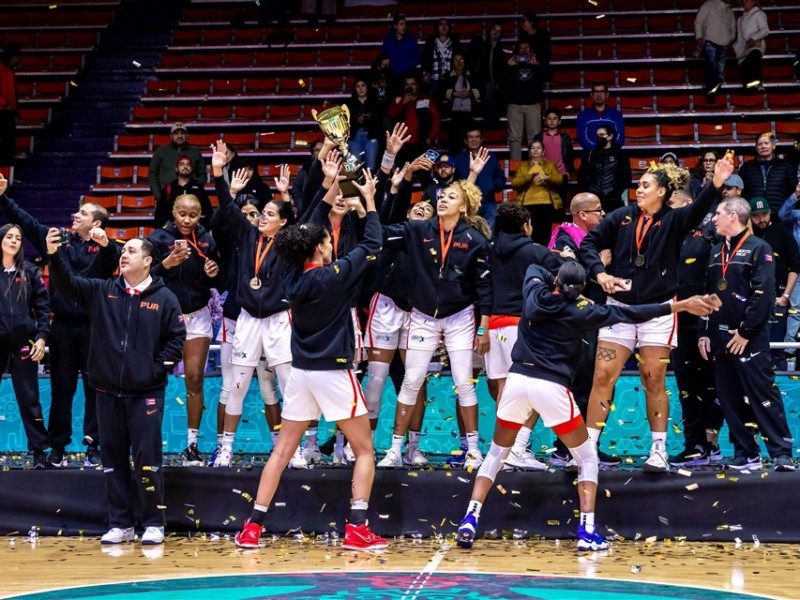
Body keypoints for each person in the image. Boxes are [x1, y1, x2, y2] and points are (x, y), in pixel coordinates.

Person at [455, 262, 719, 551]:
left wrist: (561, 264)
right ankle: (588, 531)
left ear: (555, 279)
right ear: (581, 289)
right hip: (551, 387)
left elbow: (532, 265)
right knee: (587, 458)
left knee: (496, 454)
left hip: (517, 382)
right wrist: (679, 307)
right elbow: (631, 313)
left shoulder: (533, 293)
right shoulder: (583, 311)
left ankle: (470, 519)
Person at [234, 172, 388, 551]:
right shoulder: (332, 277)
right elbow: (373, 242)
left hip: (301, 372)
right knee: (365, 450)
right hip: (333, 372)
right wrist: (368, 201)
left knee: (282, 450)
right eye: (327, 241)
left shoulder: (289, 274)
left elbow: (309, 226)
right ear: (320, 247)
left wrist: (331, 185)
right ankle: (357, 528)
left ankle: (252, 527)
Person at [580, 156, 734, 472]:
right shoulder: (620, 218)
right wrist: (600, 273)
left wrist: (716, 183)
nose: (639, 189)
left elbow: (697, 210)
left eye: (646, 185)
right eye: (639, 185)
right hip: (619, 311)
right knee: (602, 376)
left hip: (659, 312)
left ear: (662, 192)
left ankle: (658, 450)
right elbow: (589, 244)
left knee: (654, 377)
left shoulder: (675, 221)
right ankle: (587, 449)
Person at [46, 233, 186, 545]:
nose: (124, 255)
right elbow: (68, 283)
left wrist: (154, 369)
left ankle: (153, 523)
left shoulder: (164, 298)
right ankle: (120, 524)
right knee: (113, 460)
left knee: (148, 460)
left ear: (148, 261)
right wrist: (54, 255)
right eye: (123, 251)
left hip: (146, 393)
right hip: (107, 391)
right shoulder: (102, 291)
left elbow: (177, 339)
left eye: (132, 251)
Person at [0, 174, 120, 467]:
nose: (74, 215)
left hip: (95, 326)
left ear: (95, 223)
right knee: (61, 389)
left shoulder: (107, 247)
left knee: (96, 389)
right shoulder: (57, 240)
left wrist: (105, 244)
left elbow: (112, 258)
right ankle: (57, 447)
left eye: (82, 214)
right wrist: (3, 197)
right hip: (62, 327)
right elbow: (26, 222)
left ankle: (94, 445)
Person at [377, 176, 492, 469]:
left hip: (460, 316)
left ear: (464, 206)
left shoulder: (475, 240)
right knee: (411, 381)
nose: (442, 200)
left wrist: (483, 326)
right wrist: (368, 202)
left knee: (464, 383)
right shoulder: (418, 230)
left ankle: (473, 450)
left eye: (451, 197)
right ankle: (395, 450)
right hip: (423, 315)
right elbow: (379, 233)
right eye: (442, 195)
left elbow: (484, 289)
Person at [208, 142, 296, 467]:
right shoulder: (247, 236)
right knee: (237, 385)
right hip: (246, 319)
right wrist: (219, 173)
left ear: (282, 222)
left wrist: (285, 197)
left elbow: (305, 218)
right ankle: (227, 448)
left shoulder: (289, 244)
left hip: (277, 321)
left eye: (270, 214)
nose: (262, 217)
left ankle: (293, 450)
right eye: (262, 213)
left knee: (288, 387)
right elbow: (227, 209)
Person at [700, 197, 795, 471]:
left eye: (718, 213)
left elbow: (764, 295)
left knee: (763, 395)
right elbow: (709, 294)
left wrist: (744, 332)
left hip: (749, 340)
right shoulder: (715, 251)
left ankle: (782, 452)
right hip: (719, 339)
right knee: (729, 399)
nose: (714, 218)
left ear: (733, 216)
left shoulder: (759, 248)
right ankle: (746, 452)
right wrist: (704, 332)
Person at [484, 203, 562, 470]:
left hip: (493, 327)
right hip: (525, 326)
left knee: (504, 394)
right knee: (535, 389)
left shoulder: (488, 250)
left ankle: (501, 453)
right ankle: (517, 449)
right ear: (526, 225)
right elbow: (563, 280)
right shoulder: (538, 252)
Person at [148, 194, 220, 466]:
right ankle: (148, 441)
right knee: (154, 378)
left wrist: (214, 272)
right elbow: (144, 275)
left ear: (200, 214)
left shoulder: (208, 240)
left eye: (193, 214)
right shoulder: (157, 239)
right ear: (173, 212)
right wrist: (167, 264)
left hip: (198, 315)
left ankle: (191, 445)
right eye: (182, 214)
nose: (187, 220)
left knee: (194, 379)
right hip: (164, 318)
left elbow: (217, 275)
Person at [666, 189, 724, 467]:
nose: (668, 209)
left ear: (690, 205)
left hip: (710, 319)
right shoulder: (668, 235)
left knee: (717, 384)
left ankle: (710, 441)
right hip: (679, 321)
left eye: (672, 204)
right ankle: (694, 445)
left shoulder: (713, 232)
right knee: (687, 386)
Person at [0, 224, 50, 469]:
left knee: (30, 398)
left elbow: (42, 308)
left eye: (18, 238)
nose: (14, 241)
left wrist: (41, 337)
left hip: (24, 342)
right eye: (9, 236)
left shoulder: (29, 271)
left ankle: (39, 451)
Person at [749, 196, 800, 371]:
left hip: (778, 299)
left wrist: (786, 296)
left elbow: (796, 266)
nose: (761, 219)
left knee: (777, 349)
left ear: (770, 212)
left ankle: (783, 393)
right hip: (751, 301)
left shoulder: (781, 231)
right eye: (756, 216)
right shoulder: (747, 235)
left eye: (764, 214)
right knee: (753, 348)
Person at [511, 139, 564, 245]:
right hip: (527, 205)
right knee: (529, 233)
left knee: (544, 233)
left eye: (538, 148)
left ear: (543, 151)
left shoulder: (550, 165)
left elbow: (559, 181)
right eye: (533, 148)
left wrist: (547, 177)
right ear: (529, 151)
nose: (535, 150)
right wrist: (528, 177)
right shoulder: (523, 166)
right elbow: (514, 184)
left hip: (546, 205)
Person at [386, 74, 441, 168]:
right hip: (402, 144)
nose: (410, 87)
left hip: (422, 143)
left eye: (413, 84)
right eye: (407, 84)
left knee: (424, 173)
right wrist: (403, 102)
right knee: (402, 174)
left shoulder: (426, 99)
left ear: (418, 86)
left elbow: (437, 119)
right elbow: (391, 114)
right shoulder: (398, 99)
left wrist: (430, 138)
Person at [454, 129, 504, 228]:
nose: (474, 140)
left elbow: (499, 176)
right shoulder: (458, 159)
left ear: (481, 140)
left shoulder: (490, 157)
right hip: (469, 204)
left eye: (477, 137)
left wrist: (493, 187)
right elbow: (455, 181)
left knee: (488, 234)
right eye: (470, 137)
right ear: (465, 140)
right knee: (470, 234)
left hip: (488, 202)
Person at [577, 124, 631, 213]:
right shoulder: (590, 154)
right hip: (592, 200)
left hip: (613, 200)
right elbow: (582, 175)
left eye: (602, 135)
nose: (599, 138)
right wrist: (588, 191)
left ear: (610, 136)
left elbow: (626, 178)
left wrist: (615, 192)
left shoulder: (620, 155)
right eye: (597, 135)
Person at [505, 40, 545, 161]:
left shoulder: (537, 63)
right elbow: (499, 79)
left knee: (534, 139)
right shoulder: (511, 64)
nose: (524, 50)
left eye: (526, 48)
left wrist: (537, 65)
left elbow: (548, 75)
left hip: (533, 105)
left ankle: (535, 166)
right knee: (514, 138)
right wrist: (508, 68)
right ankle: (515, 168)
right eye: (521, 48)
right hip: (514, 105)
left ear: (531, 50)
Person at [738, 132, 797, 213]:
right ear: (756, 147)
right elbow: (741, 193)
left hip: (780, 216)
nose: (763, 146)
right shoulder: (746, 168)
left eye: (766, 143)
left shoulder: (786, 167)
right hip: (754, 215)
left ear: (773, 146)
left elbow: (794, 192)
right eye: (760, 144)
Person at [147, 123, 206, 199]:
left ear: (187, 136)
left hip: (190, 198)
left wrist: (194, 189)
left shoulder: (195, 152)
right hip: (166, 197)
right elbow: (152, 174)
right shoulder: (161, 151)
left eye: (182, 133)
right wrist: (158, 195)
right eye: (176, 133)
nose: (180, 136)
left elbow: (203, 175)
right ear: (171, 136)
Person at [155, 155, 214, 230]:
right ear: (176, 169)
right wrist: (167, 227)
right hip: (172, 230)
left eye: (188, 164)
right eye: (182, 164)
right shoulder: (168, 189)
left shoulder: (198, 188)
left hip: (194, 230)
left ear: (191, 169)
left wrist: (200, 226)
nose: (185, 166)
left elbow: (208, 213)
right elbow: (159, 215)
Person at [694, 0, 736, 97]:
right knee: (711, 64)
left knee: (720, 70)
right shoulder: (708, 5)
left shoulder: (729, 10)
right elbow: (699, 21)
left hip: (724, 43)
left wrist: (730, 39)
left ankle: (716, 90)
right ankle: (710, 89)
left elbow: (732, 27)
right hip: (710, 40)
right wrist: (699, 36)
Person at [466, 22, 506, 124]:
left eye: (499, 32)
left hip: (489, 83)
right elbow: (467, 58)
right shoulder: (477, 41)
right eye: (494, 30)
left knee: (490, 107)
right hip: (474, 80)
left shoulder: (499, 50)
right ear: (489, 30)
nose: (495, 33)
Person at [441, 53, 482, 152]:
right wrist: (454, 94)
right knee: (455, 145)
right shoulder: (447, 76)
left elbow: (482, 91)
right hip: (453, 116)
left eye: (461, 60)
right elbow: (441, 92)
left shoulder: (473, 75)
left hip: (470, 116)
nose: (459, 63)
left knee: (471, 144)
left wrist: (470, 94)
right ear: (452, 63)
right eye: (456, 60)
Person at [534, 108, 575, 204]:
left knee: (560, 204)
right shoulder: (539, 137)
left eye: (555, 118)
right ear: (545, 121)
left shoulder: (565, 137)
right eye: (549, 118)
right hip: (544, 174)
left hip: (561, 174)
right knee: (545, 204)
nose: (552, 121)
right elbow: (534, 155)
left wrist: (568, 171)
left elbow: (570, 155)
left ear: (559, 121)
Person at [778, 181, 800, 361]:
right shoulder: (797, 215)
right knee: (795, 310)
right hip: (798, 267)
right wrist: (796, 195)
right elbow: (781, 214)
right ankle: (789, 350)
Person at [346, 77, 383, 173]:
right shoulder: (349, 104)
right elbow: (345, 122)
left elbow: (380, 121)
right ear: (355, 89)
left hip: (372, 136)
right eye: (358, 86)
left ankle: (370, 187)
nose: (361, 88)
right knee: (353, 168)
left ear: (367, 88)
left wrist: (369, 118)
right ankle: (354, 187)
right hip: (354, 137)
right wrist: (356, 120)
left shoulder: (375, 102)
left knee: (371, 167)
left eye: (363, 85)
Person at [576, 83, 626, 150]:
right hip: (591, 155)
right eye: (596, 92)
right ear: (592, 95)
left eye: (602, 91)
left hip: (611, 153)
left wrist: (609, 149)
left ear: (607, 94)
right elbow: (582, 138)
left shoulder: (616, 114)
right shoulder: (583, 115)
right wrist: (597, 151)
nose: (599, 95)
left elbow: (620, 136)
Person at [733, 0, 769, 91]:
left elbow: (765, 30)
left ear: (753, 2)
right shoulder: (740, 19)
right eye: (743, 0)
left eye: (747, 0)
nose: (744, 2)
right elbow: (740, 38)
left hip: (756, 46)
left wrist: (754, 38)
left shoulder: (759, 14)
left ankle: (758, 84)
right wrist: (737, 48)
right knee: (746, 77)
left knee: (753, 56)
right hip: (743, 50)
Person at [421, 18, 461, 98]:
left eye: (446, 24)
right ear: (437, 28)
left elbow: (460, 61)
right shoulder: (430, 42)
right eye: (441, 24)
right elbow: (425, 61)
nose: (444, 26)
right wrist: (425, 75)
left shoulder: (455, 42)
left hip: (451, 78)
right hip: (434, 79)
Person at [380, 14, 421, 91]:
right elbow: (384, 55)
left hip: (408, 75)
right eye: (401, 24)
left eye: (405, 24)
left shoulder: (411, 40)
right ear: (395, 26)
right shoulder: (388, 40)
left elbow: (417, 58)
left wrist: (408, 67)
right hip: (393, 76)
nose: (404, 26)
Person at [0, 44, 21, 166]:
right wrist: (5, 103)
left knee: (8, 143)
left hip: (8, 111)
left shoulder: (8, 70)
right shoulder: (2, 68)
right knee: (5, 143)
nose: (17, 60)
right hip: (3, 111)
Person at [518, 12, 551, 81]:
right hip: (526, 69)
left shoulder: (543, 34)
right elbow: (517, 53)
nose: (522, 23)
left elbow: (545, 55)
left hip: (539, 69)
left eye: (524, 21)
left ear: (531, 22)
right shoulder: (522, 36)